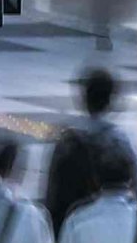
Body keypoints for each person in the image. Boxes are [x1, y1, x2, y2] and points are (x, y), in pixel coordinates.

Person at [44, 64, 132, 227]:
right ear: (111, 100)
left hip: (70, 228)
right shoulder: (123, 144)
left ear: (84, 99)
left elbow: (51, 195)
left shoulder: (66, 141)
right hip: (114, 230)